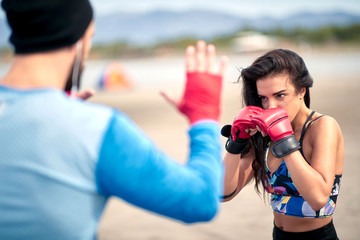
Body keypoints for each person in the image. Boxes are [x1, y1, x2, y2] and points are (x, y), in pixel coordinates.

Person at [0, 0, 228, 239]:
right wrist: (203, 117)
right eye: (91, 37)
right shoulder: (96, 130)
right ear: (78, 41)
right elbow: (200, 201)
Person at [221, 49, 343, 240]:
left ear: (301, 90)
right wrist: (236, 142)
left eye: (280, 95)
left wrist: (284, 138)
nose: (271, 107)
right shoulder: (264, 133)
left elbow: (319, 199)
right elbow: (224, 193)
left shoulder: (322, 126)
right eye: (263, 98)